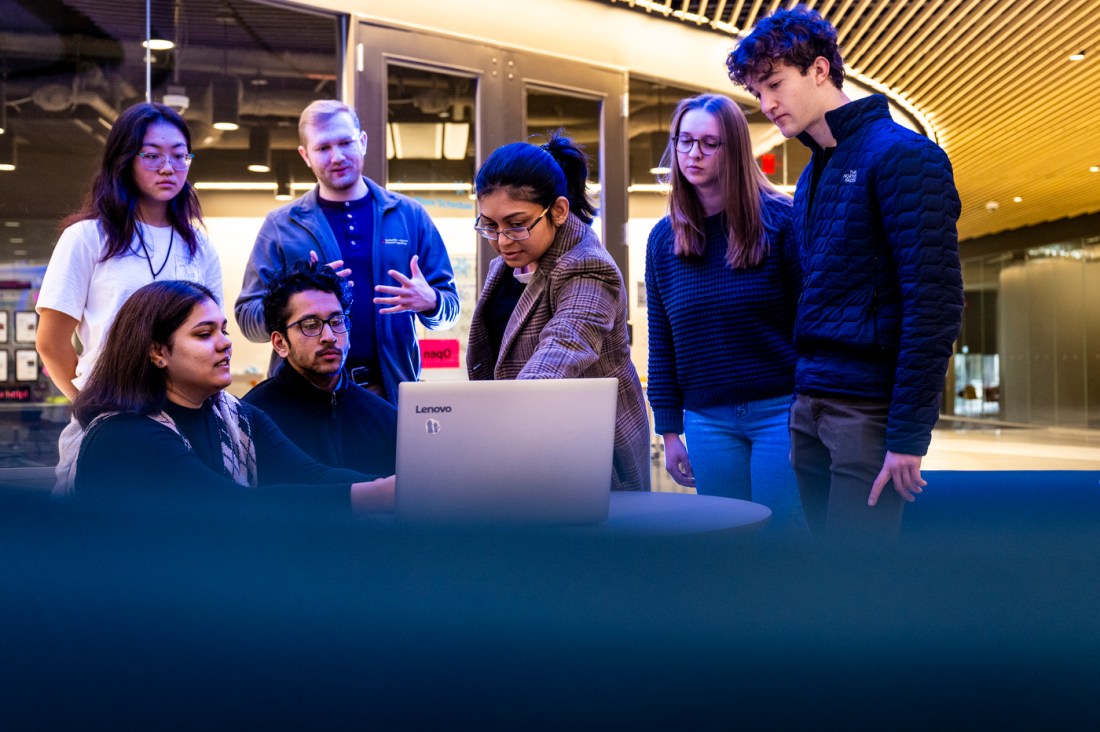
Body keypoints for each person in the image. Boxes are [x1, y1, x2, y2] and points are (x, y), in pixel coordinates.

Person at [727, 5, 964, 536]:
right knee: (832, 571)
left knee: (862, 577)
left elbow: (935, 303)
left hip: (868, 408)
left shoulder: (904, 156)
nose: (766, 104)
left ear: (819, 69)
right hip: (809, 402)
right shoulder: (813, 176)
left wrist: (907, 435)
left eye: (774, 83)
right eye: (756, 92)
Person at [72, 280, 393, 514]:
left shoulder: (237, 416)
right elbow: (228, 507)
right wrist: (379, 495)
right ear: (157, 351)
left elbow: (310, 476)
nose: (225, 343)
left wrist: (399, 488)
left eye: (223, 330)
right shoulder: (125, 434)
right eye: (204, 334)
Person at [35, 102, 223, 495]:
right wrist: (92, 407)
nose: (168, 168)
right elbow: (51, 343)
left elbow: (212, 334)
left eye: (179, 156)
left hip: (187, 422)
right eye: (152, 156)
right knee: (103, 541)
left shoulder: (198, 246)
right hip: (111, 418)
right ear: (125, 160)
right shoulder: (87, 238)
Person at [644, 93, 805, 534]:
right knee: (728, 544)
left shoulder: (782, 221)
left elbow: (811, 327)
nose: (692, 153)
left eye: (709, 143)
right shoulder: (664, 239)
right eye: (684, 140)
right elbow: (664, 343)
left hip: (781, 413)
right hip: (707, 419)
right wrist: (670, 431)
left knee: (780, 539)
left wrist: (811, 411)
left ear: (733, 149)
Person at [234, 99, 459, 404]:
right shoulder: (281, 226)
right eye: (323, 148)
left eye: (345, 143)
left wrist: (430, 302)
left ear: (362, 142)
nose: (337, 156)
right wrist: (293, 299)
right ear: (305, 155)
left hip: (391, 396)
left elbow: (450, 308)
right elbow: (248, 320)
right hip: (303, 405)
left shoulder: (409, 216)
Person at [466, 133, 650, 492]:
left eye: (516, 224)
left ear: (559, 211)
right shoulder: (506, 265)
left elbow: (563, 346)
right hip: (530, 449)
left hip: (592, 456)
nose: (502, 240)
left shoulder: (588, 266)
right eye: (490, 225)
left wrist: (500, 426)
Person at [242, 259, 397, 476]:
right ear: (280, 343)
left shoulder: (385, 417)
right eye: (310, 325)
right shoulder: (252, 417)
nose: (329, 337)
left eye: (337, 321)